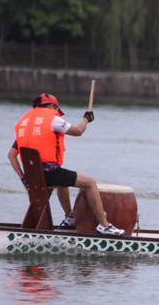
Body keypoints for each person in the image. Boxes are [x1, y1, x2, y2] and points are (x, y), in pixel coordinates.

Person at [8, 93, 123, 235]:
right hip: (49, 174)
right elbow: (78, 131)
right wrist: (86, 119)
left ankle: (70, 217)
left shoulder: (24, 124)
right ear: (52, 106)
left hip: (33, 177)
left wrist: (23, 178)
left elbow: (11, 155)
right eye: (57, 109)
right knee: (90, 183)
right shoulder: (52, 118)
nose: (57, 113)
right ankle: (104, 225)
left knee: (63, 182)